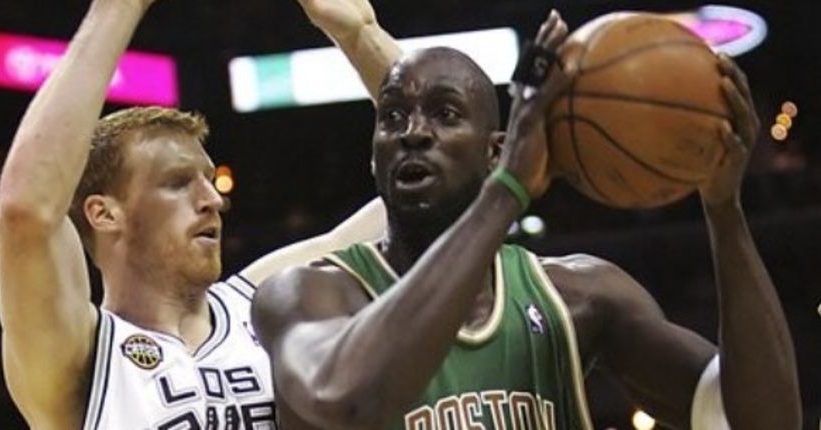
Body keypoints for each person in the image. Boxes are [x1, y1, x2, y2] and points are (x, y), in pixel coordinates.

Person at [252, 3, 802, 430]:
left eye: (445, 114)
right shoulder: (304, 294)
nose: (412, 131)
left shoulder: (579, 296)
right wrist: (507, 189)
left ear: (494, 149)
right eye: (392, 116)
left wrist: (724, 211)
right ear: (373, 154)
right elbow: (344, 399)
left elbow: (765, 422)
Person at [0, 0, 388, 428]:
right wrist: (117, 10)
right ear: (104, 213)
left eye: (208, 178)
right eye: (179, 182)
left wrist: (361, 36)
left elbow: (459, 192)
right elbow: (26, 211)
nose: (213, 199)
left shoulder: (269, 302)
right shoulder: (78, 351)